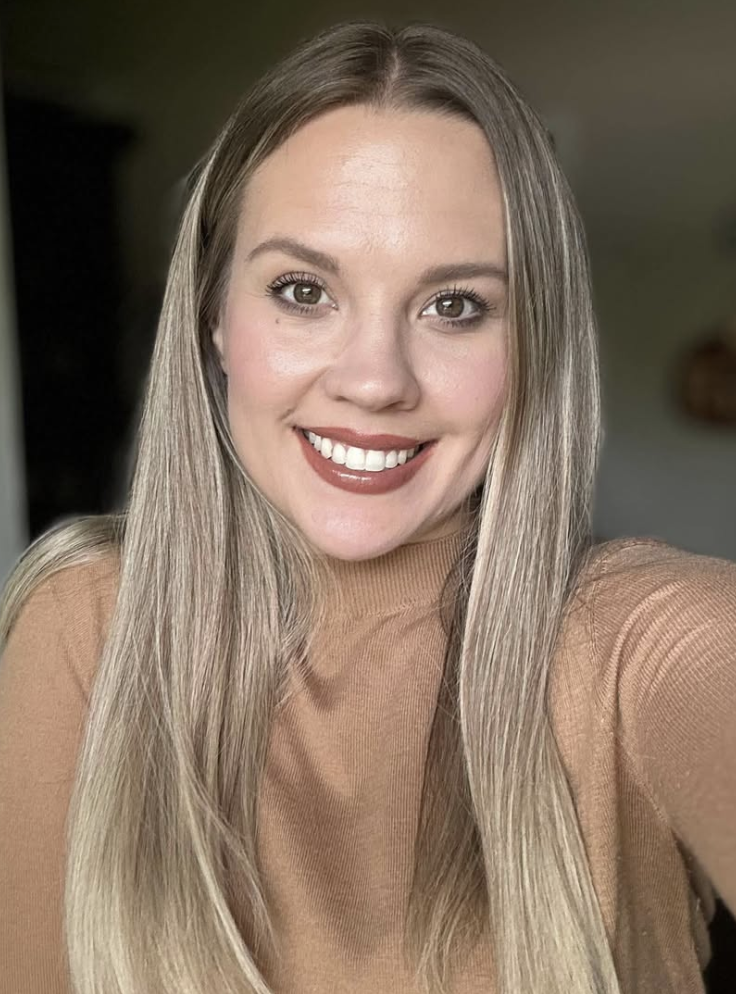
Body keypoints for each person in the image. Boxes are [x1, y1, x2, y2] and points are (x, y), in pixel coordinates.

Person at [0, 19, 734, 994]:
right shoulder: (88, 621)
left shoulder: (636, 643)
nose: (376, 380)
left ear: (534, 346)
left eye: (455, 305)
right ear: (216, 316)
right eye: (303, 290)